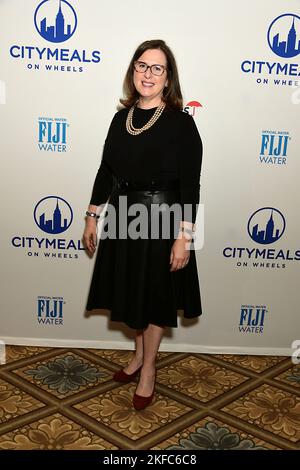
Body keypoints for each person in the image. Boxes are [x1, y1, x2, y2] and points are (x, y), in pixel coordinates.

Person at [83, 39, 203, 410]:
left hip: (163, 217)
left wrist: (184, 237)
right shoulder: (121, 119)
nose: (147, 74)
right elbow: (107, 171)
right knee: (133, 294)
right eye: (141, 65)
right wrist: (92, 214)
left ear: (168, 79)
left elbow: (190, 185)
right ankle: (137, 357)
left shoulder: (181, 124)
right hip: (123, 215)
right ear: (132, 70)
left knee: (153, 299)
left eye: (157, 68)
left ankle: (148, 368)